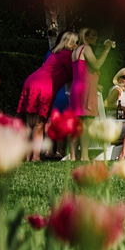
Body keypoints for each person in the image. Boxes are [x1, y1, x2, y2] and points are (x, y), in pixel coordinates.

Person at [18, 31, 78, 161]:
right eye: (77, 42)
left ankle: (26, 156)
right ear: (72, 43)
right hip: (43, 87)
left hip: (31, 82)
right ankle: (35, 156)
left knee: (29, 123)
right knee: (39, 124)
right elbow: (75, 75)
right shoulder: (68, 56)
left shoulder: (54, 53)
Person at [71, 27, 116, 159]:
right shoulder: (86, 49)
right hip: (86, 89)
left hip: (77, 87)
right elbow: (96, 65)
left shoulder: (75, 51)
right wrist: (107, 50)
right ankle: (84, 156)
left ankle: (73, 156)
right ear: (86, 37)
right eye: (94, 35)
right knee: (87, 123)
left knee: (77, 122)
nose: (97, 38)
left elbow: (82, 70)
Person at [105, 68, 125, 146]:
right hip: (114, 124)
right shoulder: (117, 90)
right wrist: (121, 107)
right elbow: (105, 104)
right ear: (119, 79)